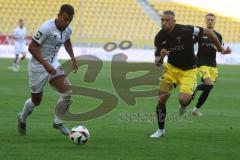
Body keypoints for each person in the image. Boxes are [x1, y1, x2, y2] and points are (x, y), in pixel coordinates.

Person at [150, 10, 231, 138]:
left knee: (183, 100)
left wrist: (221, 49)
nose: (164, 22)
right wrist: (161, 58)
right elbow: (157, 63)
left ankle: (185, 105)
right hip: (171, 69)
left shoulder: (186, 30)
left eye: (167, 20)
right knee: (161, 99)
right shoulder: (159, 37)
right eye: (162, 20)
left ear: (174, 21)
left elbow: (208, 32)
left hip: (189, 70)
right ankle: (161, 130)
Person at [17, 4, 78, 136]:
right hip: (37, 67)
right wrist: (45, 64)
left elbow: (67, 41)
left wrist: (73, 58)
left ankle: (58, 121)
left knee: (67, 91)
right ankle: (22, 117)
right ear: (59, 15)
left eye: (70, 20)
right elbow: (32, 48)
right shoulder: (46, 28)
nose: (67, 23)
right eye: (65, 19)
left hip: (53, 63)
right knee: (36, 101)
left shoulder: (68, 29)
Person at [192, 13, 231, 116]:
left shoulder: (218, 36)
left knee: (208, 88)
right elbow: (190, 44)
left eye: (212, 20)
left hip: (213, 64)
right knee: (208, 84)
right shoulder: (200, 33)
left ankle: (196, 109)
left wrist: (225, 52)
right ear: (205, 21)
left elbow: (220, 50)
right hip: (201, 63)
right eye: (208, 19)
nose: (210, 21)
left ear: (215, 21)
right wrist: (193, 55)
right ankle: (195, 88)